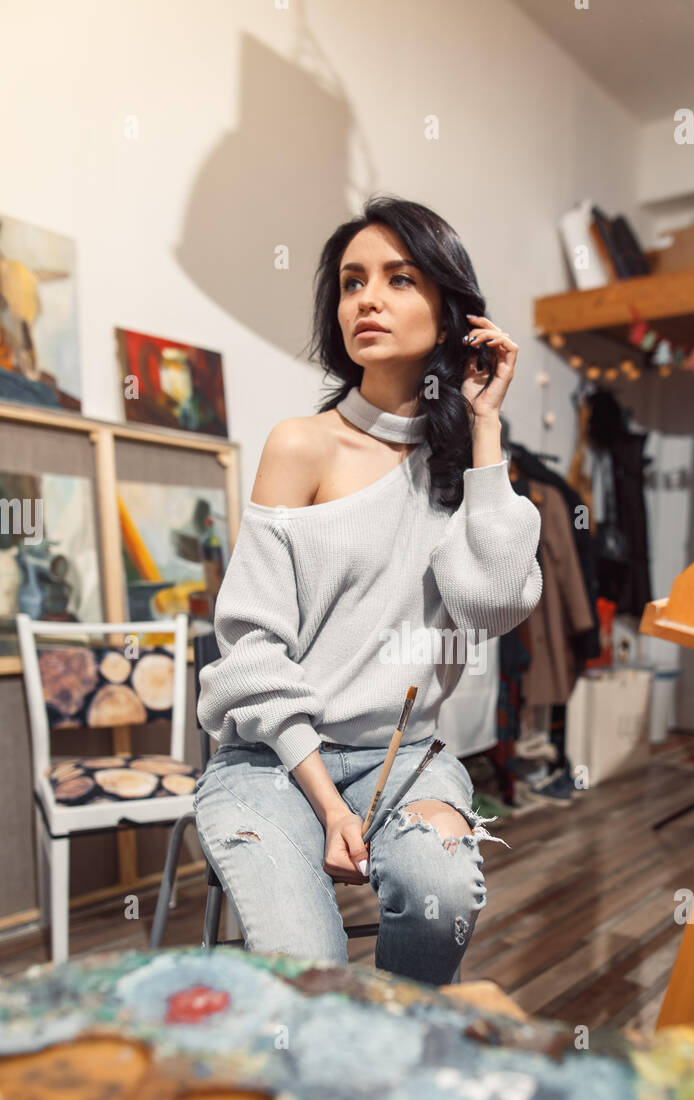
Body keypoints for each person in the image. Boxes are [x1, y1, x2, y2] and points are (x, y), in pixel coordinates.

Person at [195, 195, 542, 985]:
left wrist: (486, 429)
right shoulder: (302, 445)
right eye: (353, 283)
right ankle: (328, 1078)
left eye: (399, 278)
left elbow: (492, 607)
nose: (369, 299)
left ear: (451, 312)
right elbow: (249, 647)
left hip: (404, 758)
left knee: (439, 887)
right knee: (312, 969)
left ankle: (399, 1055)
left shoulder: (466, 470)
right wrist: (328, 804)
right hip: (273, 761)